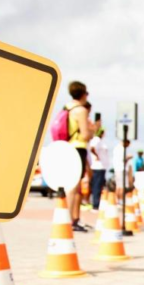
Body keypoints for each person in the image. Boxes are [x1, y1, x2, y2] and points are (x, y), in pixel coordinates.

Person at [65, 81, 93, 231]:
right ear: (83, 94)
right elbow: (85, 135)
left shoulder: (68, 107)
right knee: (74, 187)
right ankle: (70, 220)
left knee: (75, 187)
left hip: (69, 147)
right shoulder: (81, 110)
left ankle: (74, 219)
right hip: (78, 147)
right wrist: (94, 129)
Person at [88, 127, 109, 210]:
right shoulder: (96, 140)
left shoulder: (100, 141)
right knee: (96, 185)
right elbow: (92, 148)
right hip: (97, 167)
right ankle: (95, 204)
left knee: (100, 186)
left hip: (102, 167)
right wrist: (97, 156)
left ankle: (98, 203)